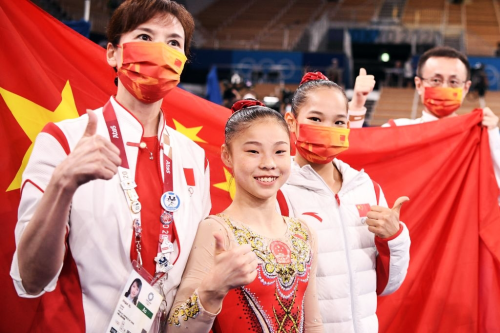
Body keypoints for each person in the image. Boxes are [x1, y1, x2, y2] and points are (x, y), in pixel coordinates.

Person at [10, 0, 211, 331]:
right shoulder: (64, 140)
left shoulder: (194, 157)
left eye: (173, 43)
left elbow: (190, 275)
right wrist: (62, 185)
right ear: (113, 53)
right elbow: (30, 279)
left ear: (182, 62)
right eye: (145, 37)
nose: (160, 51)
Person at [167, 100, 323, 332]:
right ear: (227, 156)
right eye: (253, 151)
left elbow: (313, 323)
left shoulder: (304, 233)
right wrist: (212, 290)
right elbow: (174, 328)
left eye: (280, 152)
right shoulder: (216, 231)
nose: (269, 164)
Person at [279, 72, 411, 332]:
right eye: (316, 119)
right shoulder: (278, 191)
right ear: (291, 122)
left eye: (339, 122)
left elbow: (388, 285)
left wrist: (394, 238)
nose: (328, 129)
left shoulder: (367, 188)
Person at [354, 46, 500, 203]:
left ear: (465, 88)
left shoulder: (478, 138)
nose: (444, 88)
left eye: (453, 82)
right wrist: (356, 106)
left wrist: (493, 136)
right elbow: (353, 160)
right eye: (436, 80)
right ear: (419, 84)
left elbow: (494, 191)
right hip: (407, 225)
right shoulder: (398, 131)